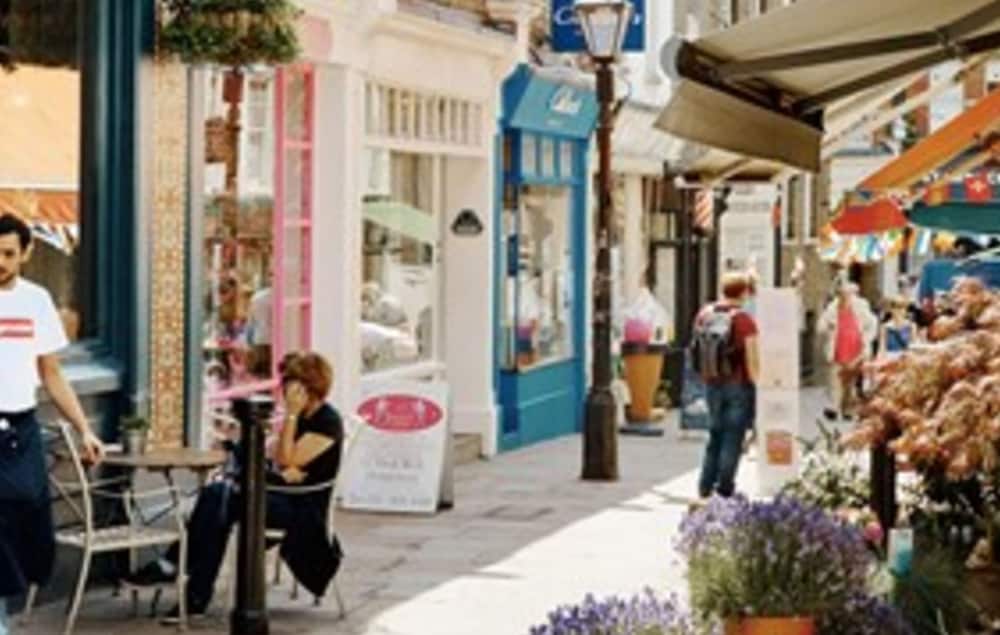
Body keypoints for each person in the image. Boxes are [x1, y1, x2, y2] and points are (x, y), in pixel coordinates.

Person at [127, 352, 345, 622]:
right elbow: (282, 460)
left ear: (308, 387)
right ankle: (192, 593)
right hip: (283, 494)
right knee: (218, 500)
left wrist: (290, 418)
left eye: (290, 383)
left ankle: (179, 573)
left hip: (304, 509)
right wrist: (286, 459)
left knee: (219, 499)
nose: (284, 390)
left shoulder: (327, 422)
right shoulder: (303, 417)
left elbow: (285, 458)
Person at [0, 213, 105, 635]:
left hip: (20, 426)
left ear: (25, 253)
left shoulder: (36, 300)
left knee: (29, 513)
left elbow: (53, 374)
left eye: (8, 254)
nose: (0, 262)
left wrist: (84, 428)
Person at [693, 272, 760, 499]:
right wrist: (759, 384)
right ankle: (724, 487)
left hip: (712, 383)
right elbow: (752, 359)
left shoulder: (704, 315)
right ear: (744, 292)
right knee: (733, 437)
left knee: (715, 435)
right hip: (737, 385)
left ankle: (705, 485)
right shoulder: (744, 320)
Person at [818, 282, 878, 421]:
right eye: (842, 294)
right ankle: (834, 407)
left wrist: (867, 339)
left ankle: (848, 409)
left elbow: (872, 324)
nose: (845, 297)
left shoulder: (861, 307)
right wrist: (828, 326)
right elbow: (820, 326)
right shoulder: (832, 308)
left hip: (856, 350)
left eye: (847, 294)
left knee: (850, 381)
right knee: (835, 379)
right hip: (837, 348)